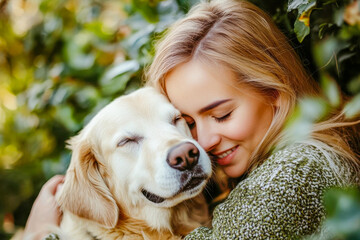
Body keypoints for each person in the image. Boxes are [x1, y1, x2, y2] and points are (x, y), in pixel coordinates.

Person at [23, 0, 360, 239]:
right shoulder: (259, 169)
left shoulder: (296, 171)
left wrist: (38, 236)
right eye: (189, 121)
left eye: (222, 114)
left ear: (275, 92)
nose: (198, 144)